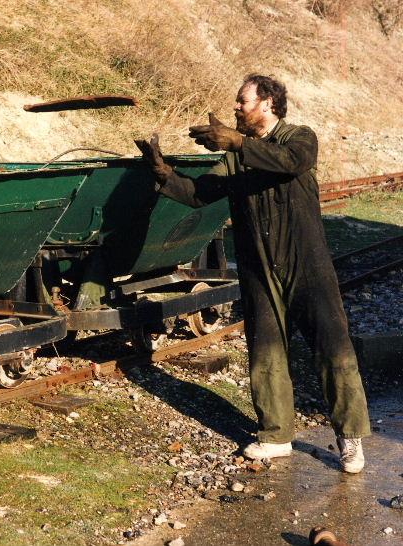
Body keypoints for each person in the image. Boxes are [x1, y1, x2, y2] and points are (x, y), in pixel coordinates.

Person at [135, 74, 371, 473]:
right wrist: (162, 172)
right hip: (259, 266)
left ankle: (350, 439)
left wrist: (237, 142)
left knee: (333, 349)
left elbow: (291, 163)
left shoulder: (300, 137)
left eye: (241, 101)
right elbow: (198, 195)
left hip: (306, 264)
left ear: (267, 103)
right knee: (266, 352)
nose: (235, 108)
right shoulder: (234, 159)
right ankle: (276, 435)